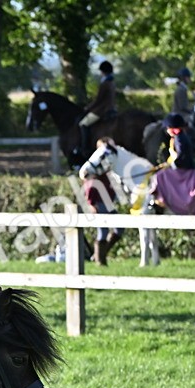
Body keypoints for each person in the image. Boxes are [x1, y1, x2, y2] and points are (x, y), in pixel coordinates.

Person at [76, 137, 123, 266]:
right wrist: (92, 204)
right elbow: (89, 187)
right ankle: (99, 260)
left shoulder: (105, 171)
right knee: (103, 232)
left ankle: (100, 255)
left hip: (108, 203)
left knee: (119, 228)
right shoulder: (93, 171)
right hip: (99, 204)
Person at [79, 61, 116, 162]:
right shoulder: (112, 81)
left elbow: (98, 100)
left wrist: (88, 108)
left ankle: (85, 148)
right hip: (112, 108)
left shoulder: (104, 83)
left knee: (83, 124)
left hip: (102, 110)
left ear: (103, 71)